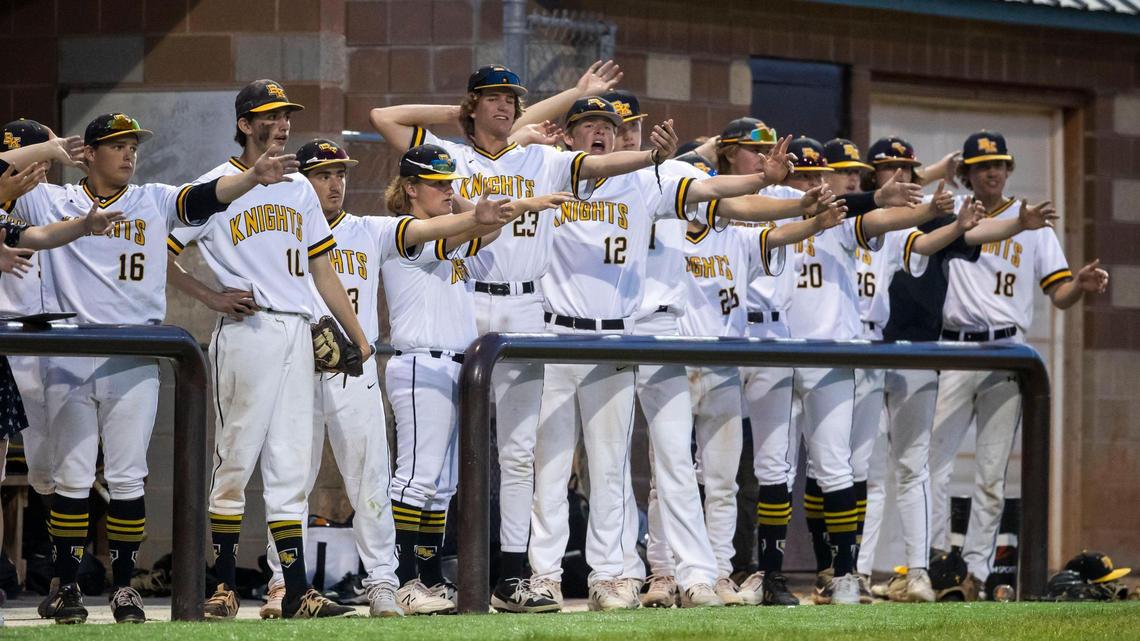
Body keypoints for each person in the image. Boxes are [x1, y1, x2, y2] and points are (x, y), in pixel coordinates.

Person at [371, 62, 684, 611]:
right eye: (492, 98)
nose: (505, 106)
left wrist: (654, 157)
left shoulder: (543, 157)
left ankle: (513, 574)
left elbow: (604, 162)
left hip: (525, 303)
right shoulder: (452, 158)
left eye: (511, 99)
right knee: (443, 452)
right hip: (465, 299)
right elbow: (384, 117)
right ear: (473, 105)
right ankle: (423, 571)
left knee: (519, 451)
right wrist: (460, 114)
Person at [6, 110, 296, 624]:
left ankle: (124, 587)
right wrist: (49, 151)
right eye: (116, 144)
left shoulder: (153, 198)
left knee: (127, 477)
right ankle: (68, 586)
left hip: (133, 351)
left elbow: (201, 199)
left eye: (133, 144)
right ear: (88, 154)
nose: (128, 153)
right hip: (69, 349)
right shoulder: (50, 198)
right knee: (70, 478)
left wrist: (251, 177)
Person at [167, 79, 373, 620]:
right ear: (244, 123)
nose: (282, 125)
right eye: (270, 116)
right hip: (248, 331)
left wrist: (355, 332)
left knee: (290, 465)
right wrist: (210, 296)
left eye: (286, 116)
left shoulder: (300, 187)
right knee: (234, 458)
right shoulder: (213, 186)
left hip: (298, 331)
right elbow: (163, 249)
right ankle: (223, 584)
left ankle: (298, 590)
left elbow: (321, 267)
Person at [379, 144, 570, 613]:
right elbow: (473, 222)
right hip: (420, 360)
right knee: (415, 479)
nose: (449, 192)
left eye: (450, 183)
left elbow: (490, 226)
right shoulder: (404, 230)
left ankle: (425, 577)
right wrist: (473, 210)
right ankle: (399, 579)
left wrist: (473, 207)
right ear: (410, 188)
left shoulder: (448, 228)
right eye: (438, 185)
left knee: (442, 483)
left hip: (452, 364)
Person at [928, 131, 1108, 592]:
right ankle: (932, 564)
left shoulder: (1031, 221)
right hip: (953, 346)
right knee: (932, 464)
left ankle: (976, 572)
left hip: (1006, 348)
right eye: (983, 165)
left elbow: (1059, 293)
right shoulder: (949, 213)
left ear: (1008, 170)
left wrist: (1081, 287)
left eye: (1000, 164)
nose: (993, 171)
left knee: (990, 470)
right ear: (967, 172)